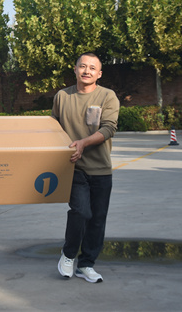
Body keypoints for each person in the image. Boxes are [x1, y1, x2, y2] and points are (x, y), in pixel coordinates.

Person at [53, 52, 119, 284]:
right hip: (74, 168)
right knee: (81, 212)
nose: (87, 71)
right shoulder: (62, 96)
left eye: (92, 68)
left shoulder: (107, 96)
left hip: (101, 169)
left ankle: (86, 264)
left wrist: (83, 143)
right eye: (82, 66)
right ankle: (69, 254)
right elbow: (53, 128)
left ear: (99, 74)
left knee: (97, 220)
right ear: (75, 69)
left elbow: (109, 128)